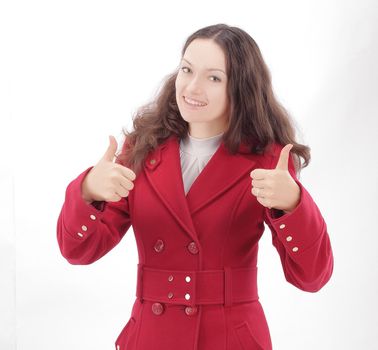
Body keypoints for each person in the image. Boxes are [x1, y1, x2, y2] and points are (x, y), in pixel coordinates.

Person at [56, 23, 334, 350]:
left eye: (213, 77)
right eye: (187, 70)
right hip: (151, 337)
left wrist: (294, 205)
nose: (192, 87)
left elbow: (312, 277)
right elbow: (77, 250)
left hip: (229, 339)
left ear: (240, 87)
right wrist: (87, 191)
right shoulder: (142, 149)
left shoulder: (267, 160)